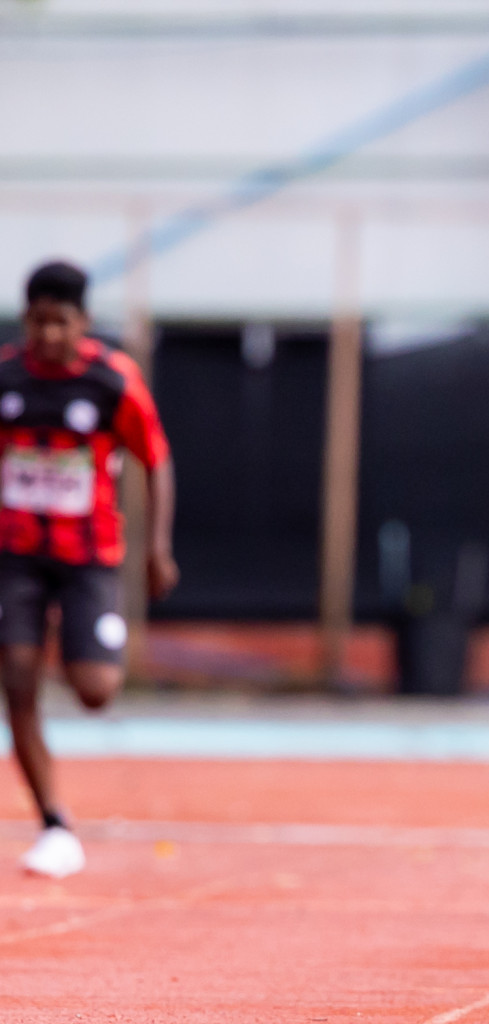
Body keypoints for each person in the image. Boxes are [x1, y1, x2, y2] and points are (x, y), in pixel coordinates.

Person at [0, 260, 178, 879]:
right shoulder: (7, 377)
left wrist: (157, 548)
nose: (49, 335)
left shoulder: (112, 382)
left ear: (84, 322)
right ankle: (53, 823)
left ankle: (82, 639)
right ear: (26, 321)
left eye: (62, 322)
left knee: (96, 691)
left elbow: (156, 459)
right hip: (16, 554)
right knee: (17, 682)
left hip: (88, 556)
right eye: (39, 322)